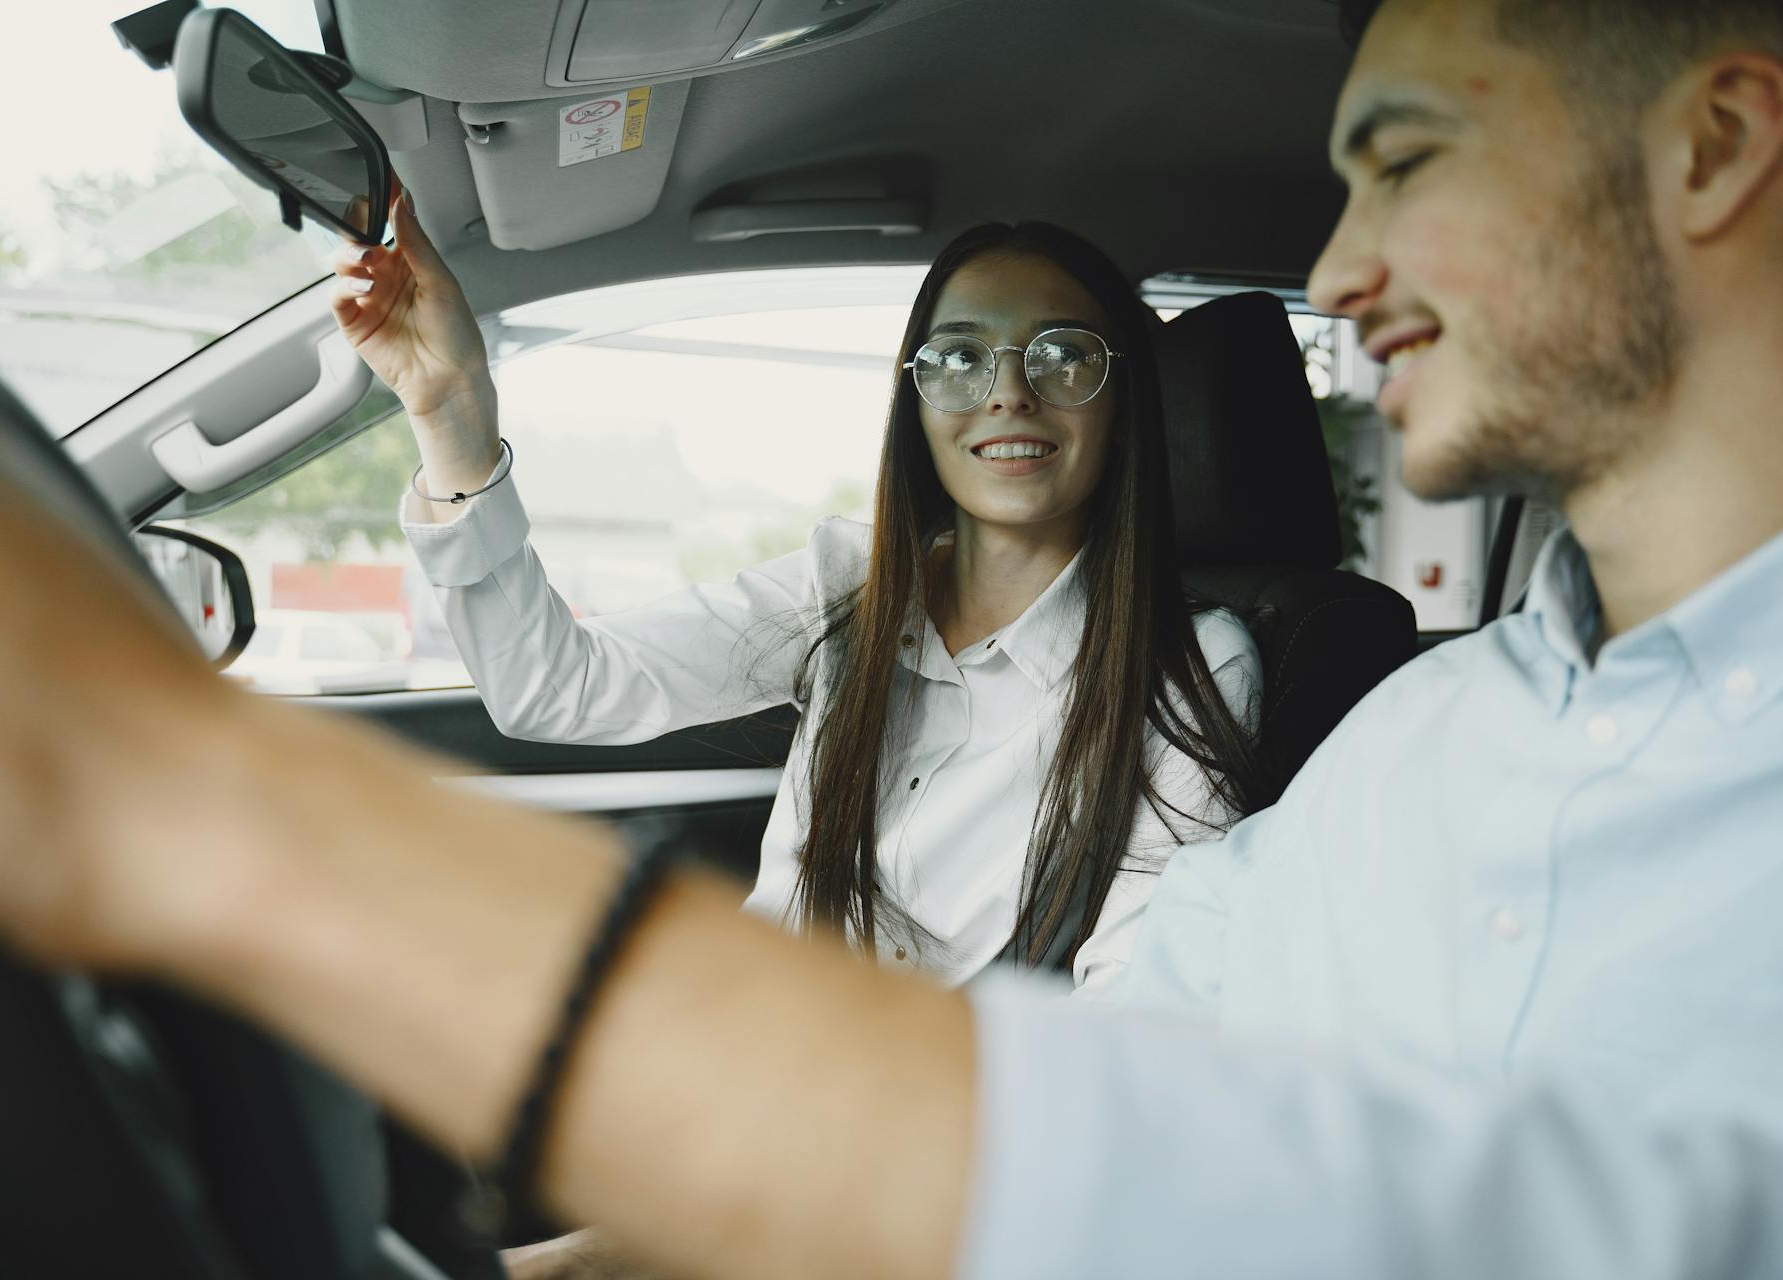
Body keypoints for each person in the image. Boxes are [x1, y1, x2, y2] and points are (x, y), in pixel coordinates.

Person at [0, 0, 1782, 1276]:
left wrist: (189, 808)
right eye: (953, 356)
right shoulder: (1431, 746)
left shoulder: (1237, 690)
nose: (1338, 278)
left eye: (1408, 159)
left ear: (1716, 148)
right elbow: (1121, 1104)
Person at [329, 213, 1269, 993]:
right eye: (958, 359)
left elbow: (1137, 999)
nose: (1009, 394)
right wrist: (451, 411)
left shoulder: (1192, 663)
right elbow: (556, 689)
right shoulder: (849, 582)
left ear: (1121, 401)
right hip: (731, 1042)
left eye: (1063, 356)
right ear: (917, 400)